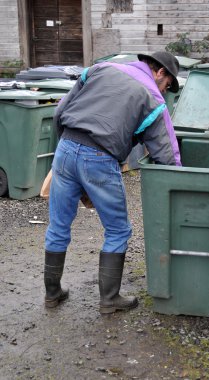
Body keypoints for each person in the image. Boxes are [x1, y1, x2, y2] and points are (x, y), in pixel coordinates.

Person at [44, 51, 182, 314]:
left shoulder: (99, 69)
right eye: (166, 86)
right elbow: (167, 153)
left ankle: (52, 294)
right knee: (118, 230)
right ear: (160, 72)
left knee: (59, 223)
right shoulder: (152, 99)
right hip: (99, 158)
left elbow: (60, 110)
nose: (164, 92)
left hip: (65, 147)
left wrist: (66, 149)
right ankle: (109, 299)